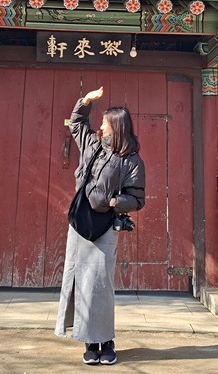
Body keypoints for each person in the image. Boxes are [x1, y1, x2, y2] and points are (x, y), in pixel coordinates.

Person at [55, 86, 146, 366]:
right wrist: (85, 101)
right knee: (79, 280)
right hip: (79, 222)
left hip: (104, 226)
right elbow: (77, 123)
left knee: (100, 285)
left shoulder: (131, 161)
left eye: (106, 123)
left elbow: (137, 199)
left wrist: (114, 201)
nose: (101, 127)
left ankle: (105, 341)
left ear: (117, 127)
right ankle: (88, 341)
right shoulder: (92, 145)